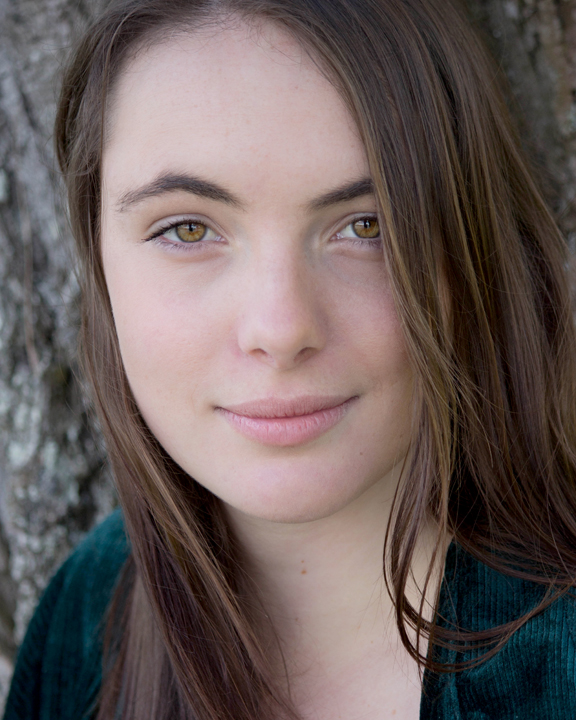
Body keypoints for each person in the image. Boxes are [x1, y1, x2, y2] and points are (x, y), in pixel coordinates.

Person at [4, 0, 576, 718]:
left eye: (367, 226)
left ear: (470, 257)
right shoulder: (84, 619)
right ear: (99, 264)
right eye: (188, 229)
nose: (280, 329)